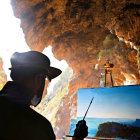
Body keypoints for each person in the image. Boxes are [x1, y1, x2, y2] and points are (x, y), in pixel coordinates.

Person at [0, 51, 88, 140]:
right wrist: (77, 138)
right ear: (38, 78)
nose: (46, 86)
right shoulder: (38, 126)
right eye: (45, 79)